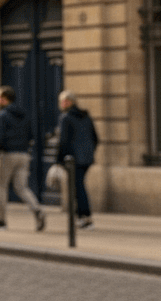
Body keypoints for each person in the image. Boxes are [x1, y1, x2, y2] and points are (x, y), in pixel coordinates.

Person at [0, 86, 45, 231]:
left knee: (1, 187)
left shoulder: (3, 115)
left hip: (7, 154)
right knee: (22, 187)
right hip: (23, 155)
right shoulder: (24, 114)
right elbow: (31, 135)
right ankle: (37, 210)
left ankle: (2, 220)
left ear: (3, 99)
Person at [56, 90, 99, 229]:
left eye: (66, 101)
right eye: (62, 101)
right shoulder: (86, 116)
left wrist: (59, 160)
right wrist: (89, 152)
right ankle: (81, 216)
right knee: (78, 186)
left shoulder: (66, 117)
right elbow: (96, 139)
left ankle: (85, 217)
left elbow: (63, 142)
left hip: (74, 159)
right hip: (86, 158)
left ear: (72, 102)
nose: (63, 103)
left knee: (78, 187)